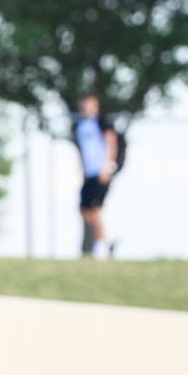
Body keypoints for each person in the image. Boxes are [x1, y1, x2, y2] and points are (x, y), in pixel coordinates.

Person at [73, 93, 119, 259]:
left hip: (101, 172)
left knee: (96, 208)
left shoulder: (102, 123)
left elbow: (111, 142)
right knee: (84, 209)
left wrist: (107, 166)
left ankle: (102, 245)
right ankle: (105, 239)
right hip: (89, 173)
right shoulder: (79, 126)